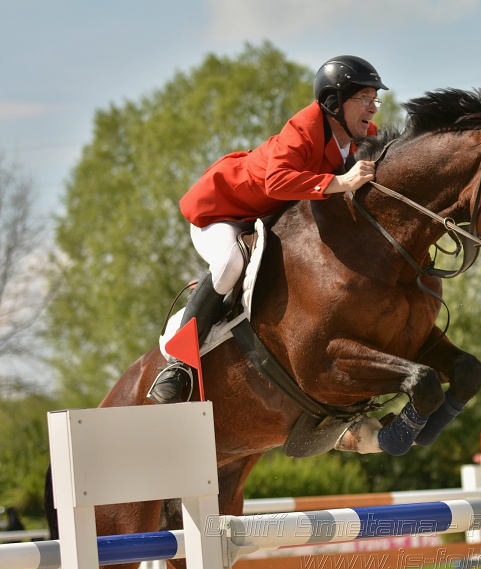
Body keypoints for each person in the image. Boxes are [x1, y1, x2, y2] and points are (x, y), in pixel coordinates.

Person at [148, 55, 388, 404]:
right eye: (364, 98)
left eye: (374, 98)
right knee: (230, 264)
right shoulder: (304, 128)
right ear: (334, 102)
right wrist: (340, 181)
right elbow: (277, 183)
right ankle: (178, 363)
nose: (373, 108)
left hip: (265, 219)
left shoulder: (364, 136)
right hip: (222, 212)